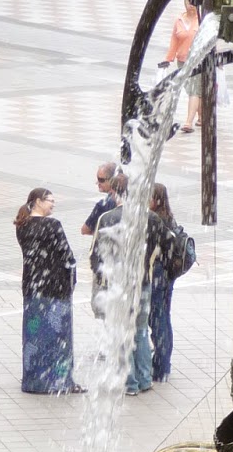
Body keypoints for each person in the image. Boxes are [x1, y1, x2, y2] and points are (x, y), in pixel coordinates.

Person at [91, 176, 174, 395]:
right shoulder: (151, 218)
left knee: (121, 333)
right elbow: (169, 244)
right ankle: (145, 379)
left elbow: (95, 256)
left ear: (115, 193)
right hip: (143, 284)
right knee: (140, 331)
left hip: (118, 286)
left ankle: (128, 383)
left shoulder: (107, 218)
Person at [15, 188, 81, 395]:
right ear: (38, 201)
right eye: (50, 200)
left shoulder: (22, 226)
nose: (53, 204)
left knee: (34, 335)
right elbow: (67, 256)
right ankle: (59, 381)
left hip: (33, 287)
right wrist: (72, 278)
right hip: (55, 288)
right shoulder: (53, 225)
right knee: (58, 336)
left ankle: (34, 380)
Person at [148, 183, 182, 381]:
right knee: (164, 318)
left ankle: (160, 366)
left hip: (157, 273)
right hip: (168, 275)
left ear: (156, 199)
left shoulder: (156, 220)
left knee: (158, 319)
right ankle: (164, 363)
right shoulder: (168, 218)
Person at [163, 0, 202, 128]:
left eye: (193, 1)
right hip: (182, 60)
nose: (191, 4)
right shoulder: (179, 20)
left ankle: (188, 122)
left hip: (197, 61)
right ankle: (202, 116)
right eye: (188, 1)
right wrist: (169, 58)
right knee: (193, 90)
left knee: (194, 91)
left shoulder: (201, 19)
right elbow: (174, 40)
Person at [81, 166, 121, 235]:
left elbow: (84, 230)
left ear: (112, 180)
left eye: (101, 180)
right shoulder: (130, 200)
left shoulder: (103, 205)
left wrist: (101, 234)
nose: (97, 183)